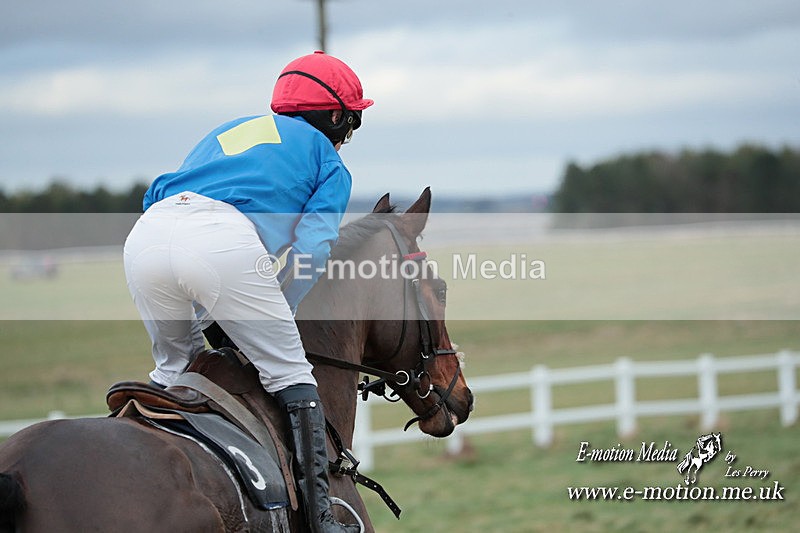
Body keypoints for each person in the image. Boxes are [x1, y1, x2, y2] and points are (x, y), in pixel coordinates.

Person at [123, 51, 372, 533]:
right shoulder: (329, 164)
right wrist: (280, 307)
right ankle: (322, 519)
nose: (348, 137)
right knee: (291, 371)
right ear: (338, 115)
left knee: (176, 367)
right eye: (352, 123)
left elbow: (164, 196)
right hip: (221, 243)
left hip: (147, 234)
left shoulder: (229, 129)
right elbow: (313, 250)